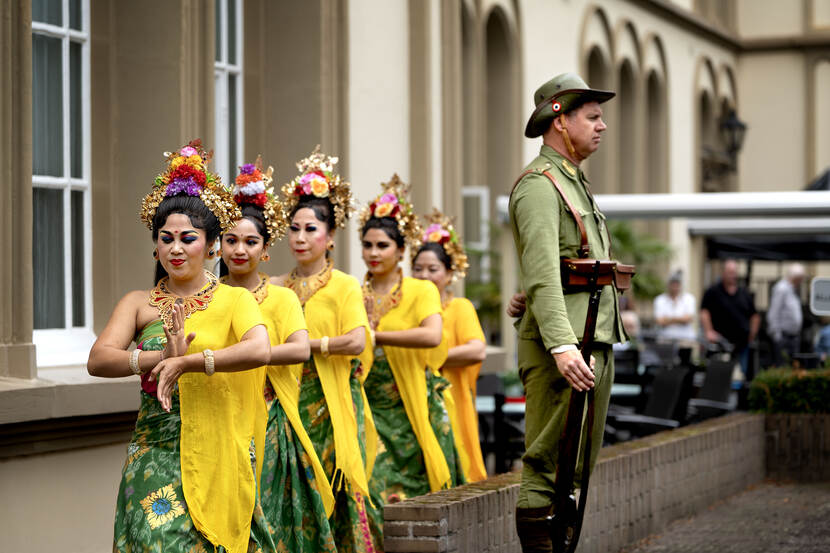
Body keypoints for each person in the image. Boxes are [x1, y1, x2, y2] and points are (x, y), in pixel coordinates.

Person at [87, 141, 276, 553]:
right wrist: (161, 357)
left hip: (218, 451)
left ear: (211, 245)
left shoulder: (234, 299)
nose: (175, 248)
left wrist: (192, 361)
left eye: (187, 238)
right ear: (155, 244)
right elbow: (99, 359)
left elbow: (259, 350)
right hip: (154, 448)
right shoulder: (138, 303)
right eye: (165, 237)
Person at [508, 73, 626, 552]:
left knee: (575, 468)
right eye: (593, 116)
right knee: (546, 467)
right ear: (560, 120)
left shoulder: (574, 183)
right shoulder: (540, 186)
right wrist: (559, 344)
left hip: (589, 340)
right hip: (568, 347)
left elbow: (554, 265)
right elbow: (541, 273)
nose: (602, 126)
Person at [221, 157, 337, 553]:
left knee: (266, 513)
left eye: (250, 241)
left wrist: (250, 353)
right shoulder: (210, 297)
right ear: (217, 243)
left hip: (269, 421)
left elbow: (301, 349)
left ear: (265, 249)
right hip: (219, 415)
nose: (239, 250)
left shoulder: (282, 296)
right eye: (230, 240)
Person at [272, 147, 379, 553]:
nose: (300, 238)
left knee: (331, 485)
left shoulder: (345, 286)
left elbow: (357, 340)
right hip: (285, 401)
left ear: (330, 236)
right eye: (294, 229)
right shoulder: (276, 286)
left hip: (330, 402)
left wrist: (307, 346)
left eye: (310, 229)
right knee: (288, 489)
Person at [359, 175, 460, 517]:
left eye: (382, 246)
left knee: (415, 491)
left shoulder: (421, 291)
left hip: (411, 401)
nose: (373, 253)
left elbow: (432, 335)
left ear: (401, 250)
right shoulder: (353, 293)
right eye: (368, 245)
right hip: (366, 405)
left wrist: (376, 336)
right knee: (371, 488)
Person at [412, 208, 488, 483]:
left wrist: (432, 359)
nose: (424, 276)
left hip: (452, 400)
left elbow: (477, 350)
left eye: (433, 269)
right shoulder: (407, 310)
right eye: (418, 269)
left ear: (449, 273)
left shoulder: (459, 308)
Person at [700, 259, 760, 377]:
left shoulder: (744, 292)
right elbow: (704, 312)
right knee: (719, 375)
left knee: (740, 376)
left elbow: (755, 315)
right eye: (730, 272)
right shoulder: (713, 291)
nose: (733, 275)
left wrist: (752, 334)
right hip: (721, 343)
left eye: (734, 272)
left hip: (742, 343)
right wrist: (708, 331)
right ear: (723, 273)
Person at [766, 263, 806, 365]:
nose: (801, 281)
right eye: (800, 278)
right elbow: (773, 312)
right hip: (783, 337)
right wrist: (777, 335)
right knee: (783, 366)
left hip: (793, 336)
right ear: (795, 277)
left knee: (792, 366)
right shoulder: (781, 288)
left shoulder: (792, 289)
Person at [653, 270, 697, 343]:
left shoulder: (689, 298)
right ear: (668, 285)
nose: (675, 287)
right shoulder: (660, 300)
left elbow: (689, 318)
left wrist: (668, 319)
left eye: (677, 284)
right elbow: (659, 321)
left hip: (686, 339)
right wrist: (680, 319)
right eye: (673, 284)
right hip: (666, 339)